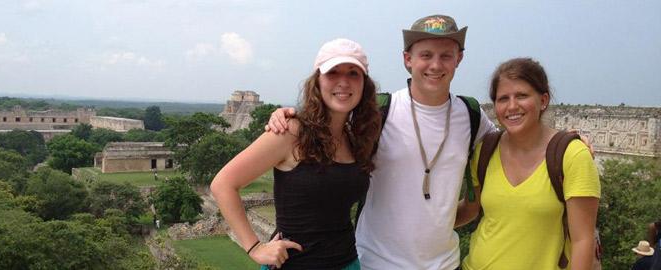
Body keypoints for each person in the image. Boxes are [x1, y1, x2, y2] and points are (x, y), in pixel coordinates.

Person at [267, 15, 497, 269]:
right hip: (376, 261)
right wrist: (288, 116)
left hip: (444, 263)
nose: (435, 65)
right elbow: (327, 122)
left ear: (459, 59)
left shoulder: (472, 115)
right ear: (407, 59)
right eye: (426, 55)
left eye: (446, 55)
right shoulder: (377, 113)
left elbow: (514, 146)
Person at [210, 38, 382, 269]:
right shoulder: (291, 132)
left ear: (364, 84)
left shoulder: (354, 138)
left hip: (348, 262)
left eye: (353, 73)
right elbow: (223, 184)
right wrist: (255, 247)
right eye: (333, 73)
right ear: (317, 82)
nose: (344, 82)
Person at [459, 58, 600, 270]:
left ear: (543, 100)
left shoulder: (572, 156)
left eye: (522, 96)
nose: (512, 106)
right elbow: (470, 210)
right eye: (503, 98)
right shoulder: (485, 151)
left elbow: (583, 241)